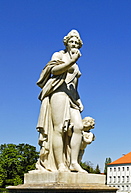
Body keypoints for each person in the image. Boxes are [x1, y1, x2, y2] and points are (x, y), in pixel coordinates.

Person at [35, 30, 87, 173]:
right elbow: (54, 71)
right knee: (59, 129)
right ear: (67, 43)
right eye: (72, 42)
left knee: (78, 128)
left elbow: (73, 85)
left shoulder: (76, 65)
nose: (74, 44)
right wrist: (71, 61)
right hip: (58, 94)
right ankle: (60, 165)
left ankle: (73, 162)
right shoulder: (59, 55)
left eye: (77, 43)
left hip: (72, 98)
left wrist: (79, 100)